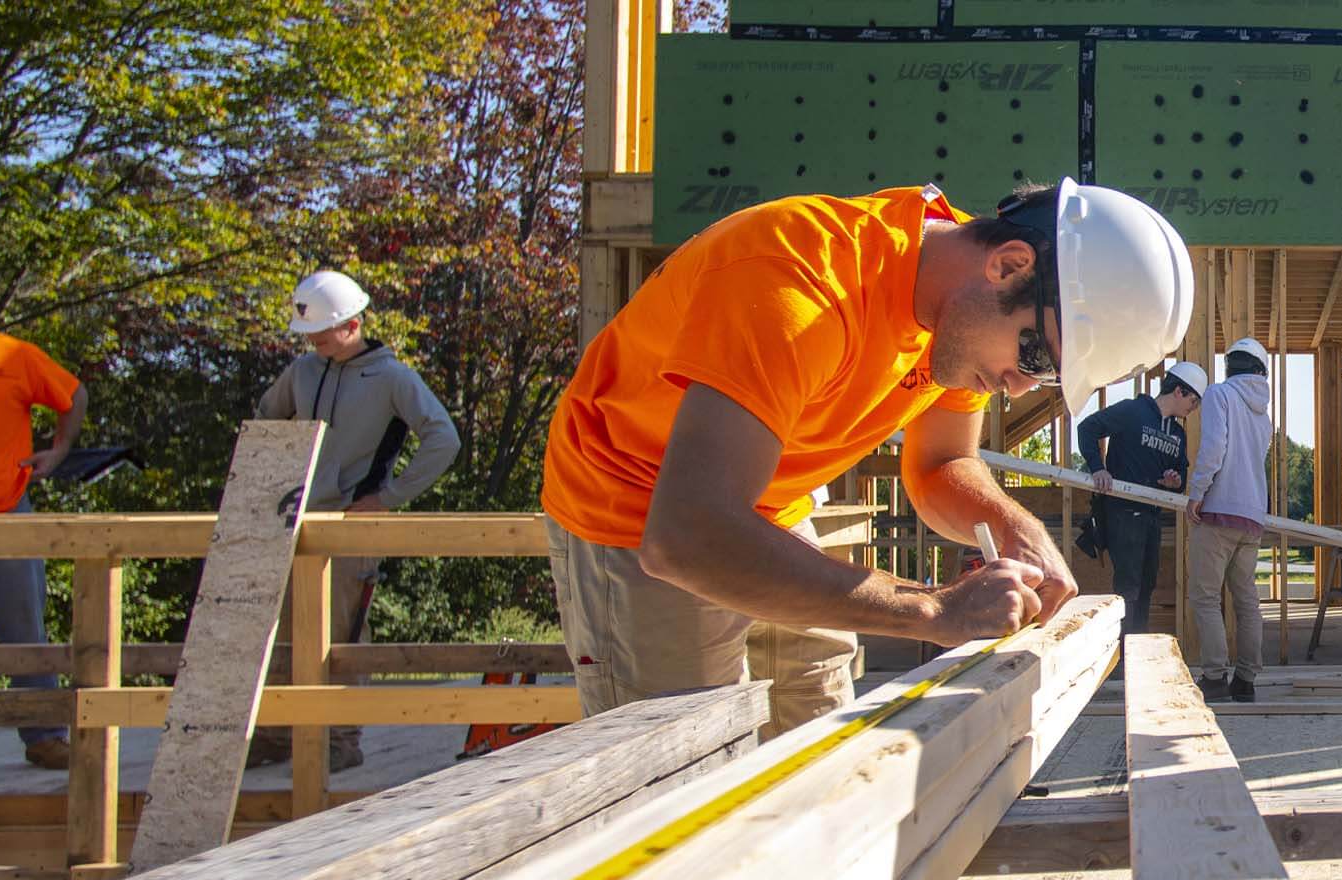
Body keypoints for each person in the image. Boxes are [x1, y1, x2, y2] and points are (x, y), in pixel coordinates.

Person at [541, 180, 1191, 739]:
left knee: (822, 741)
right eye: (1035, 356)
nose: (1020, 387)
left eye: (1045, 377)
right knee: (684, 782)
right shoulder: (797, 280)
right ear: (1008, 265)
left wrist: (1015, 525)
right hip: (638, 507)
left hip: (769, 505)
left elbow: (940, 466)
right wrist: (933, 609)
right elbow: (688, 535)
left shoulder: (959, 312)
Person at [251, 269, 461, 771]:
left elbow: (443, 438)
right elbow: (265, 422)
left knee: (341, 636)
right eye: (309, 335)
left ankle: (341, 742)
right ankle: (275, 736)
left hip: (349, 527)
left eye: (322, 335)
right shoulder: (302, 372)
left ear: (353, 324)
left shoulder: (393, 378)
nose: (314, 343)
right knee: (279, 628)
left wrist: (389, 497)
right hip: (293, 522)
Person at [0, 263, 88, 769]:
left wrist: (59, 451)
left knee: (23, 632)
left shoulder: (12, 356)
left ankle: (44, 736)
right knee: (25, 632)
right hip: (5, 517)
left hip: (4, 517)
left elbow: (73, 394)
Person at [1077, 361, 1205, 635]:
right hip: (1123, 515)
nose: (1193, 409)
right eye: (1193, 401)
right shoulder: (1133, 411)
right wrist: (1097, 468)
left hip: (1151, 517)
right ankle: (1123, 650)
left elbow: (1180, 478)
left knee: (1146, 585)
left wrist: (1174, 482)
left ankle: (1138, 648)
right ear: (1179, 391)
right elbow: (1087, 428)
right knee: (1128, 588)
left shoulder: (1177, 434)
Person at [1182, 338, 1272, 702]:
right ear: (1261, 372)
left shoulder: (1220, 394)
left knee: (1205, 597)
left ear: (1230, 366)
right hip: (1252, 516)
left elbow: (1214, 447)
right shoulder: (1263, 416)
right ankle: (1246, 680)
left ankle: (1215, 678)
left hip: (1219, 511)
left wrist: (1197, 491)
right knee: (1246, 601)